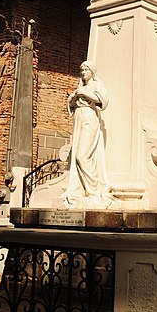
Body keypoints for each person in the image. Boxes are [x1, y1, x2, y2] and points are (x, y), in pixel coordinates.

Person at [60, 61, 110, 208]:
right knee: (76, 154)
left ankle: (93, 191)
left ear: (92, 72)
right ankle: (80, 190)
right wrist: (73, 98)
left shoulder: (96, 85)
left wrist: (84, 93)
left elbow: (103, 101)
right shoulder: (80, 87)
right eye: (81, 70)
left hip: (89, 117)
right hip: (79, 118)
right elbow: (71, 106)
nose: (83, 72)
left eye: (86, 70)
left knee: (81, 156)